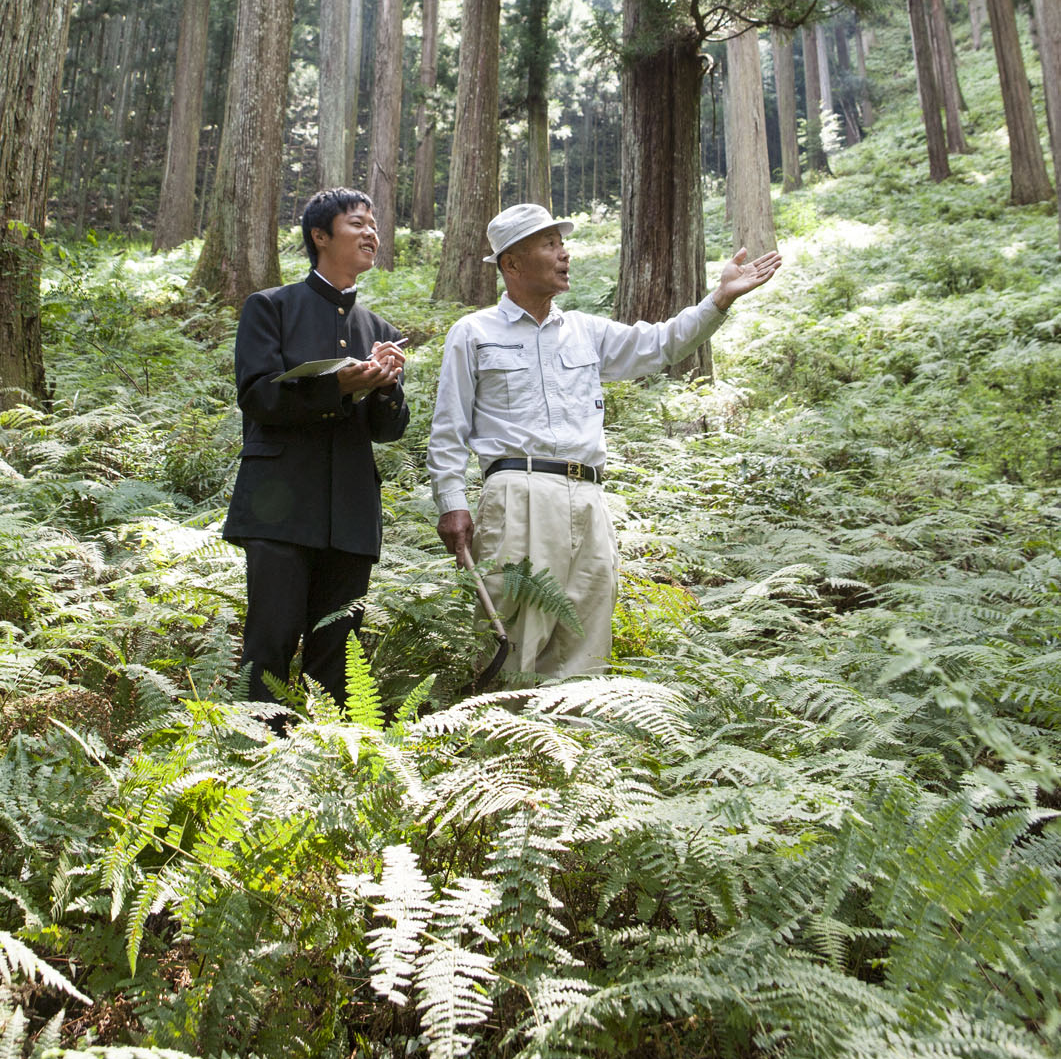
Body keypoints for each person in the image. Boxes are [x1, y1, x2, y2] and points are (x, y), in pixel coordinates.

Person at [428, 203, 781, 680]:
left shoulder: (586, 332)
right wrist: (452, 503)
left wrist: (719, 299)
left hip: (589, 500)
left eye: (562, 243)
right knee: (514, 642)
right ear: (511, 263)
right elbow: (448, 428)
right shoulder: (473, 333)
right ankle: (503, 746)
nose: (564, 254)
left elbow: (663, 345)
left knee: (585, 640)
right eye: (549, 244)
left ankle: (572, 745)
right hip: (517, 495)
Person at [223, 187, 408, 711]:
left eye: (374, 224)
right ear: (320, 236)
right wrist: (337, 388)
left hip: (349, 512)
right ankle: (253, 757)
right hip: (277, 507)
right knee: (270, 642)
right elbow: (256, 395)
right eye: (357, 223)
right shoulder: (270, 307)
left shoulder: (380, 332)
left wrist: (387, 387)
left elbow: (388, 431)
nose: (372, 233)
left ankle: (330, 768)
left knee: (341, 652)